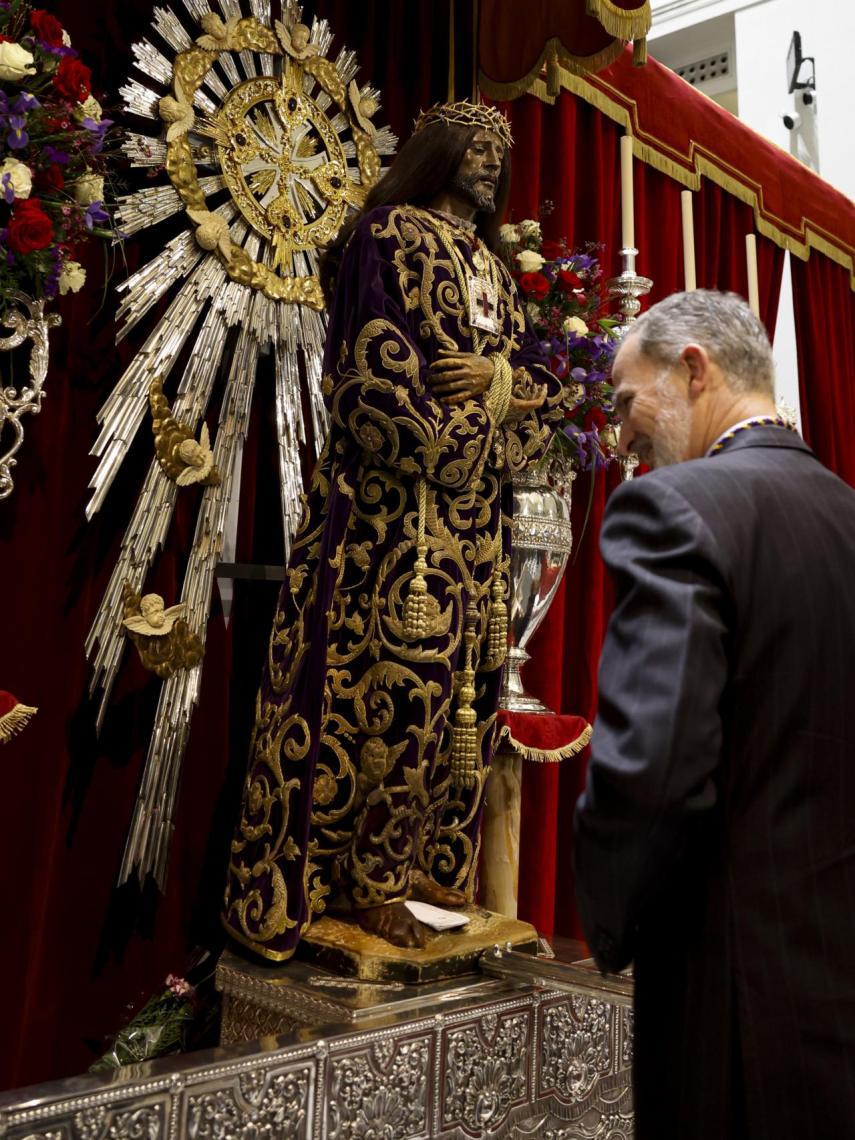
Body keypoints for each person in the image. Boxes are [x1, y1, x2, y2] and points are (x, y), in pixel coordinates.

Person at [223, 101, 562, 960]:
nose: (489, 165)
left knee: (460, 704)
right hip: (393, 528)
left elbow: (540, 398)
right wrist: (480, 423)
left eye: (498, 154)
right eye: (475, 149)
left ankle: (423, 864)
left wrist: (494, 388)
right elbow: (371, 386)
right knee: (392, 697)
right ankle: (365, 880)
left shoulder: (494, 271)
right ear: (436, 153)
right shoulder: (388, 236)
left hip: (475, 534)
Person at [574, 289, 855, 1139]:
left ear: (693, 370)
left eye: (625, 400)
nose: (620, 436)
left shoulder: (675, 507)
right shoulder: (846, 512)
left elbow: (652, 768)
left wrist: (609, 922)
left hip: (727, 995)